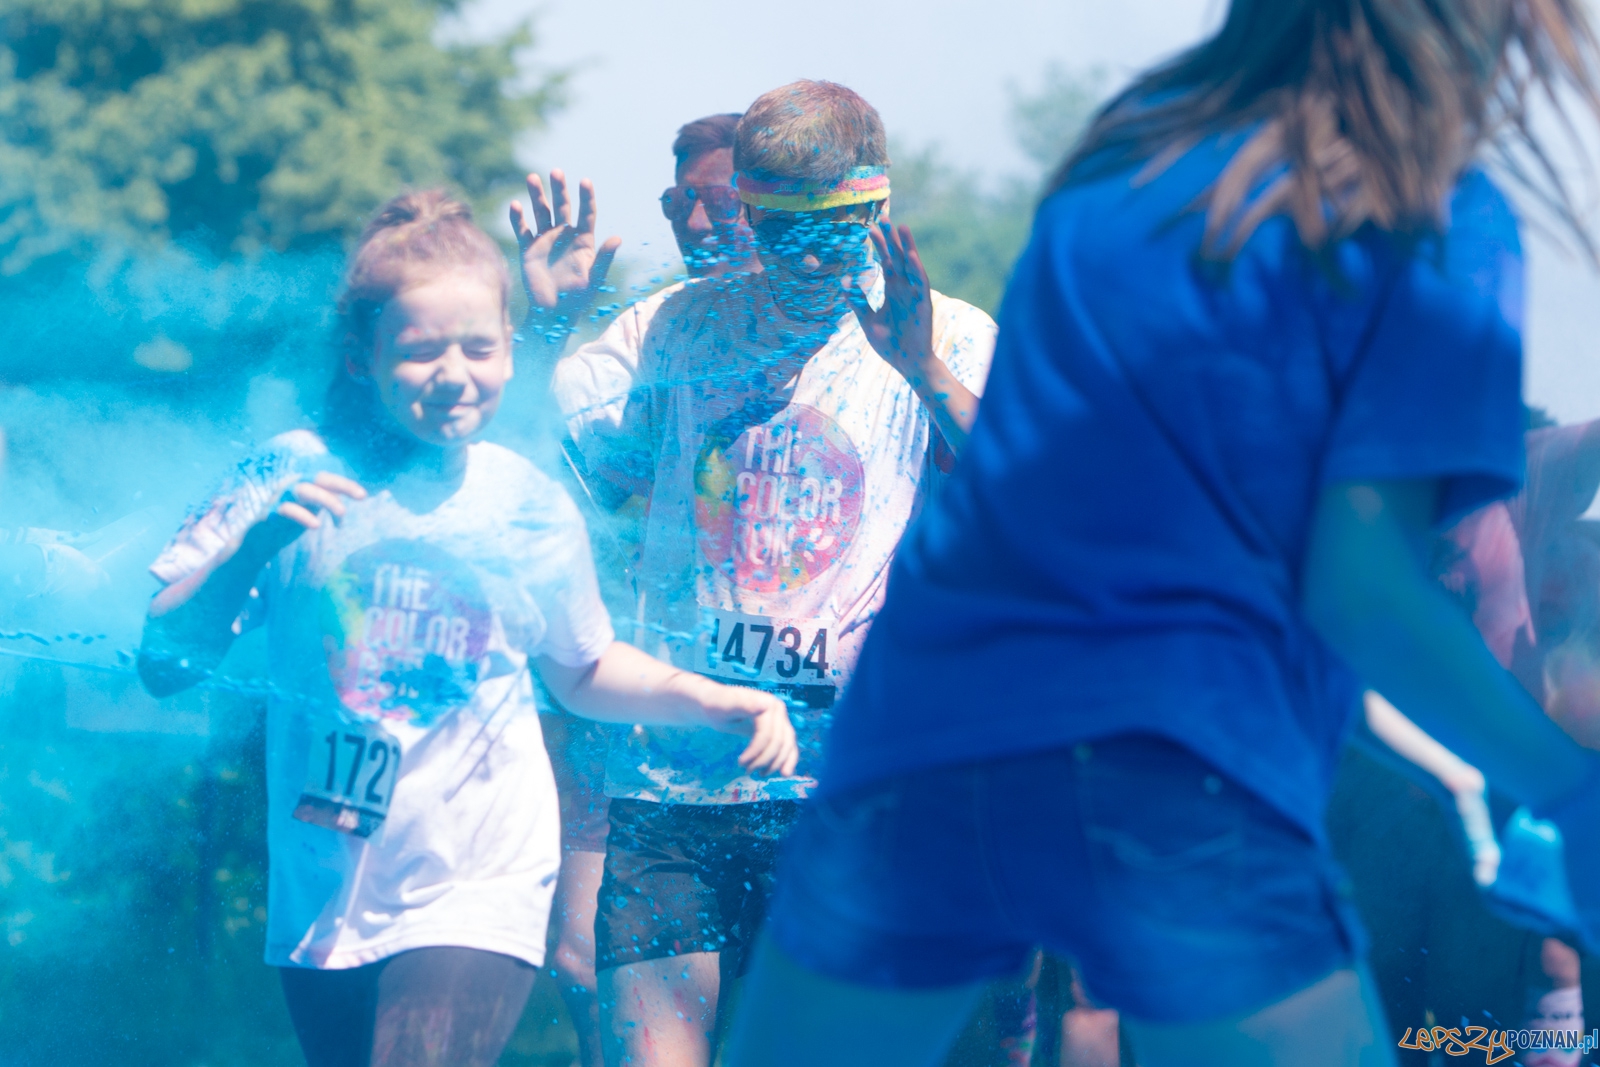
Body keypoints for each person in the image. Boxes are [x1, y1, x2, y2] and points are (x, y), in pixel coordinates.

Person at [721, 2, 1600, 1065]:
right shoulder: (1424, 209)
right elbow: (1362, 583)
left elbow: (1034, 481)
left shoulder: (1131, 144)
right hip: (1178, 756)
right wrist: (1560, 785)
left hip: (928, 731)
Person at [135, 189, 798, 1067]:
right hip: (324, 886)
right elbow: (164, 662)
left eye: (480, 347)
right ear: (362, 355)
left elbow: (584, 667)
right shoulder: (289, 473)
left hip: (479, 880)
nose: (455, 373)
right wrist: (255, 548)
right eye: (419, 350)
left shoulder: (524, 501)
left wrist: (715, 700)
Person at [517, 80, 996, 1066]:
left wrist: (924, 375)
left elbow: (1038, 515)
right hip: (675, 780)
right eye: (776, 229)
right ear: (743, 207)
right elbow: (536, 488)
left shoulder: (948, 333)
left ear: (879, 213)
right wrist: (539, 341)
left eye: (834, 232)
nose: (808, 260)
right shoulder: (674, 328)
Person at [532, 112, 763, 1067]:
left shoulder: (879, 328)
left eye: (720, 201)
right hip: (643, 704)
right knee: (585, 962)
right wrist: (548, 319)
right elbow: (511, 443)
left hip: (811, 728)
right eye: (680, 203)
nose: (697, 225)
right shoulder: (653, 327)